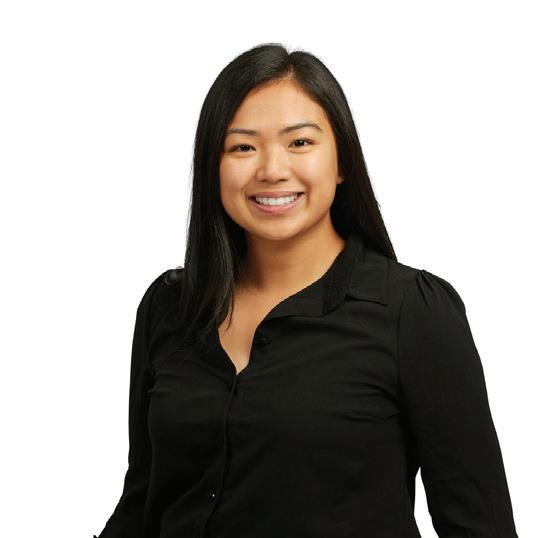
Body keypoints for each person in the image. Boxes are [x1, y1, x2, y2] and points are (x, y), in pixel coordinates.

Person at [94, 43, 519, 537]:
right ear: (213, 167)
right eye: (242, 147)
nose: (272, 169)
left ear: (341, 163)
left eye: (299, 142)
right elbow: (143, 502)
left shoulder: (412, 312)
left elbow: (480, 526)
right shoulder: (170, 306)